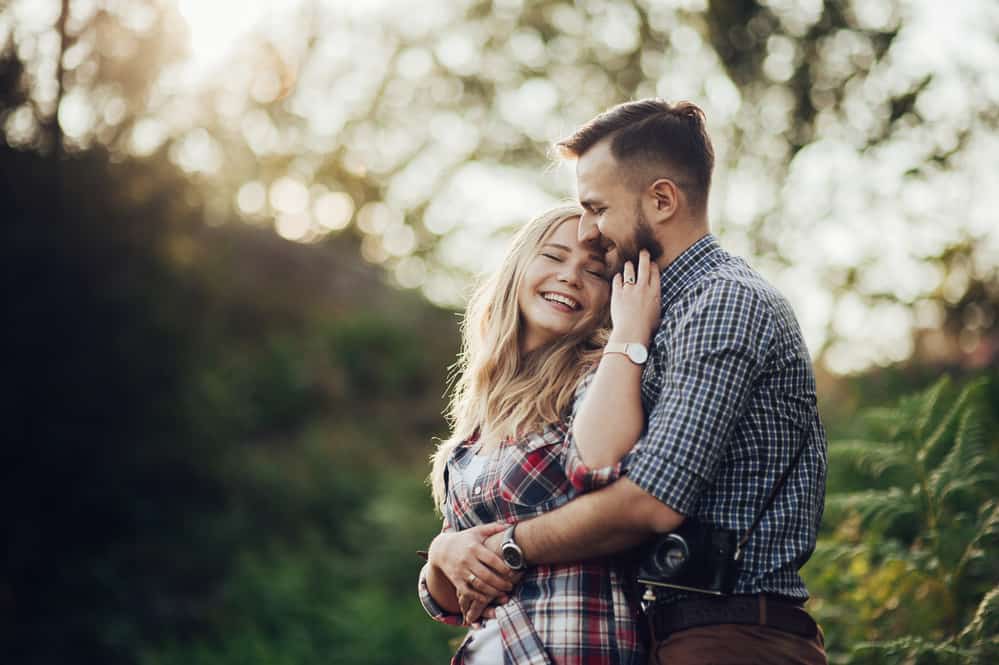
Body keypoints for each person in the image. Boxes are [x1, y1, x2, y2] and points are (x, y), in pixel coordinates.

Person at [462, 99, 829, 665]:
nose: (588, 229)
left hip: (727, 637)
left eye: (597, 208)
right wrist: (447, 550)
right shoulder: (650, 311)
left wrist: (507, 546)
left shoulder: (723, 304)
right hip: (660, 633)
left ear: (661, 199)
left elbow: (651, 501)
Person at [417, 204, 662, 664]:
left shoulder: (602, 375)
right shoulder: (485, 404)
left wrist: (630, 330)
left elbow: (601, 465)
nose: (570, 276)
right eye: (553, 257)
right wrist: (443, 551)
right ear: (517, 267)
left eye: (594, 271)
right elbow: (450, 602)